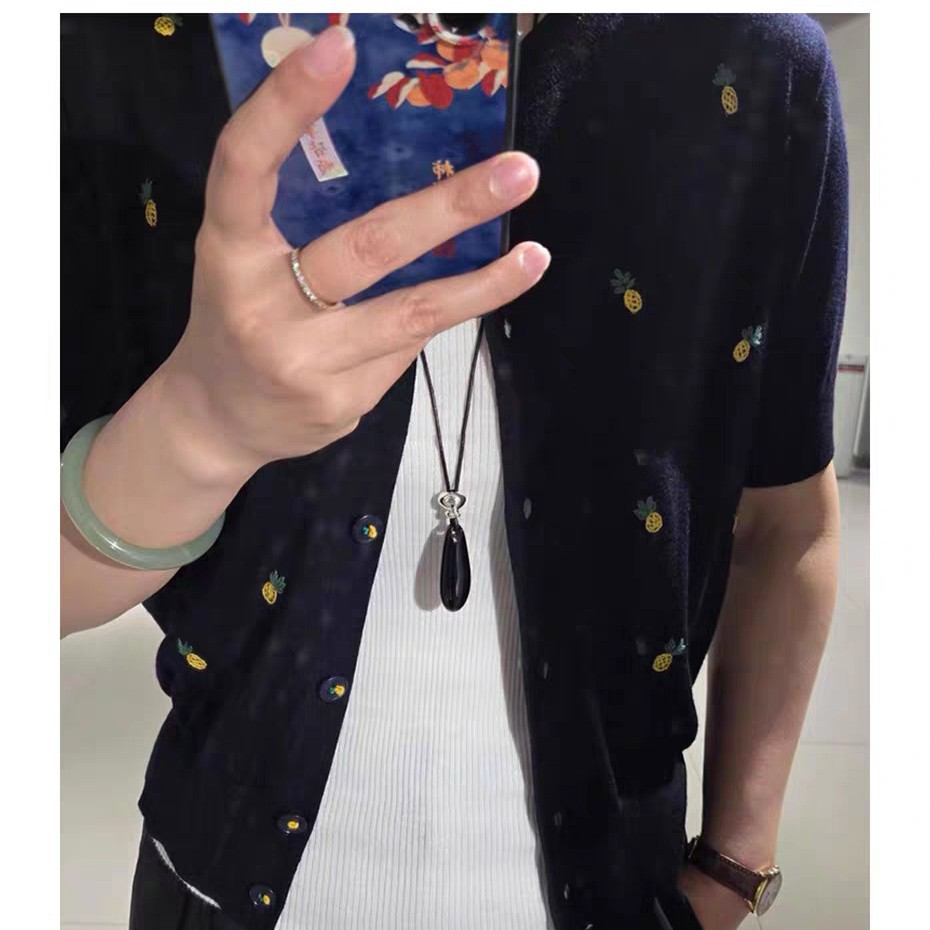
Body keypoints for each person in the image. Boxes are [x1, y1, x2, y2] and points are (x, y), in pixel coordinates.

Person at [60, 12, 848, 930]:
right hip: (213, 879)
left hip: (622, 888)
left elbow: (789, 523)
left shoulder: (754, 65)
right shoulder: (141, 43)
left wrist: (736, 861)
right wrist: (201, 428)